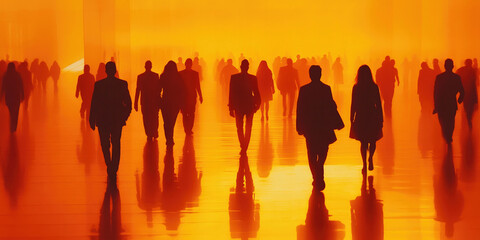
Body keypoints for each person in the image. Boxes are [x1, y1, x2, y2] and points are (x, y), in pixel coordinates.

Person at [297, 65, 343, 191]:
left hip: (309, 126)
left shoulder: (304, 90)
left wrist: (299, 126)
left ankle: (316, 176)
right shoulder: (326, 89)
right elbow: (331, 106)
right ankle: (319, 172)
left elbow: (300, 109)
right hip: (323, 125)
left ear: (310, 75)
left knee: (311, 153)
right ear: (320, 74)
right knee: (323, 150)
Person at [89, 61, 132, 178]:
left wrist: (92, 118)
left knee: (104, 143)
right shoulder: (122, 84)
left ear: (106, 71)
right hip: (117, 119)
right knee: (116, 143)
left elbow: (94, 104)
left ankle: (109, 163)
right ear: (115, 70)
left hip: (103, 119)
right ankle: (114, 166)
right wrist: (124, 116)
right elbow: (128, 103)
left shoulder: (99, 85)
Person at [350, 65, 383, 173]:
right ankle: (368, 160)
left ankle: (366, 161)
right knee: (370, 141)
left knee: (365, 142)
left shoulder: (357, 87)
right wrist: (380, 118)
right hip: (371, 115)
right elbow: (378, 103)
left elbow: (353, 104)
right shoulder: (373, 86)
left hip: (362, 115)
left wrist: (352, 117)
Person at [229, 59, 261, 155]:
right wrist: (257, 105)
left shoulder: (234, 78)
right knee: (248, 127)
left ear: (240, 66)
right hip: (249, 105)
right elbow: (257, 93)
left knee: (239, 127)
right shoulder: (252, 78)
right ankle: (245, 145)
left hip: (239, 105)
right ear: (248, 67)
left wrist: (231, 107)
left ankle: (243, 145)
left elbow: (231, 94)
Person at [433, 59, 464, 144]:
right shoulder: (456, 78)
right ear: (453, 66)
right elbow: (462, 90)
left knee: (443, 121)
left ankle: (446, 135)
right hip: (451, 103)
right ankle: (449, 135)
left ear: (444, 66)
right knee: (451, 121)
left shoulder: (439, 78)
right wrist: (460, 99)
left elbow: (436, 92)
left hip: (441, 104)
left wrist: (436, 106)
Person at [159, 61, 185, 147]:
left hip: (165, 101)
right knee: (172, 121)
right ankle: (170, 137)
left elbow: (158, 89)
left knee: (166, 121)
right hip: (175, 102)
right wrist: (181, 103)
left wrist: (158, 101)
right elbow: (182, 91)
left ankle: (168, 138)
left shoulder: (163, 76)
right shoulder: (178, 77)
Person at [134, 60, 161, 140]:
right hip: (154, 101)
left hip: (145, 101)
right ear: (151, 66)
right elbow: (158, 89)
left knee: (146, 118)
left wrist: (135, 102)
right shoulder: (155, 76)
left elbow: (138, 90)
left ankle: (149, 133)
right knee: (155, 117)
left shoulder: (140, 77)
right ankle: (154, 131)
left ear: (145, 67)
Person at [179, 58, 203, 135]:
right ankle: (187, 128)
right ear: (186, 64)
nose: (188, 65)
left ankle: (188, 128)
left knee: (191, 113)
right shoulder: (181, 73)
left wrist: (200, 95)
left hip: (190, 96)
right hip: (184, 97)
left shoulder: (194, 74)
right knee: (186, 113)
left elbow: (197, 85)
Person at [0, 63, 24, 133]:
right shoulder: (17, 75)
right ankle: (14, 126)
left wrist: (1, 96)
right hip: (16, 96)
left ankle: (12, 124)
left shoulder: (6, 75)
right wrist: (22, 94)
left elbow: (3, 87)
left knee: (11, 111)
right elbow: (21, 85)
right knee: (16, 112)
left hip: (9, 96)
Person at [455, 59, 478, 129]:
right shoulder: (473, 71)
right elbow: (474, 83)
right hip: (471, 92)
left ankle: (468, 118)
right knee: (470, 107)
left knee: (466, 106)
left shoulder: (461, 70)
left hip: (464, 92)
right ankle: (469, 118)